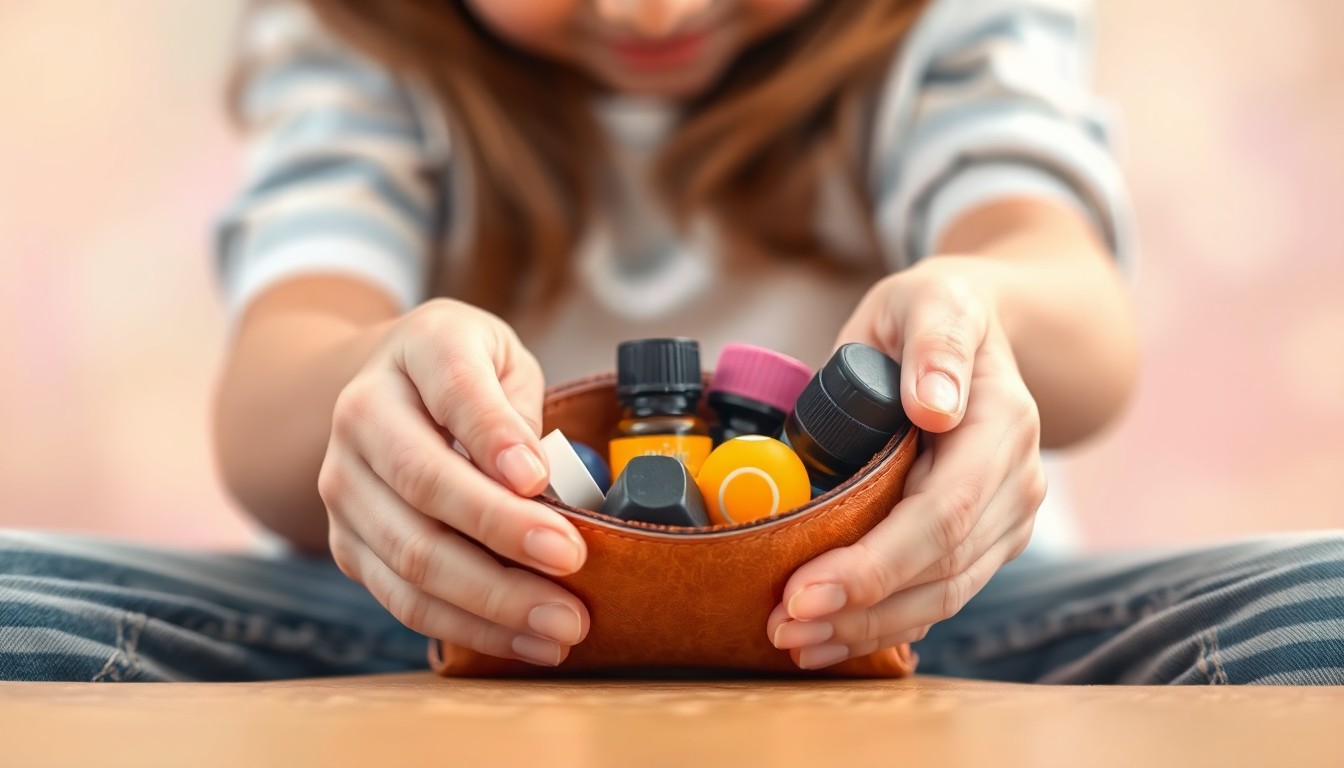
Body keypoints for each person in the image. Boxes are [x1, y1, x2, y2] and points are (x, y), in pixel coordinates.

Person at [2, 0, 1341, 684]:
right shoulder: (366, 39)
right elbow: (269, 404)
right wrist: (371, 388)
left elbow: (1075, 307)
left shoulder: (938, 23)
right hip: (469, 631)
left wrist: (979, 324)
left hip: (908, 617)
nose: (652, 8)